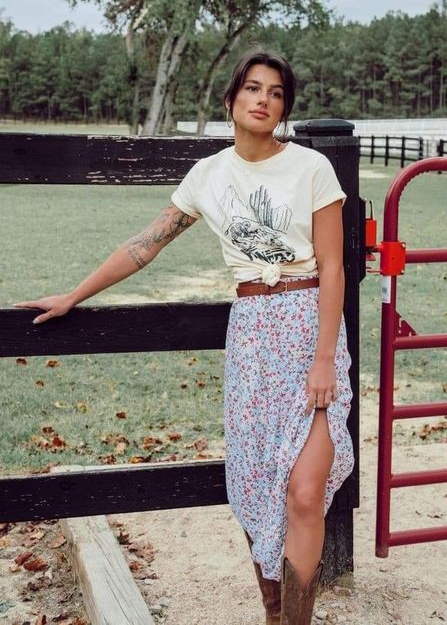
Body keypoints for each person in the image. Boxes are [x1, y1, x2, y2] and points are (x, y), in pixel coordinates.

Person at [14, 49, 354, 625]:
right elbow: (144, 246)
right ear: (230, 100)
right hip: (251, 336)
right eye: (252, 88)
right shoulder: (209, 175)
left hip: (308, 327)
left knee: (304, 490)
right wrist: (75, 294)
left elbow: (334, 266)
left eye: (275, 93)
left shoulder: (311, 168)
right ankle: (275, 615)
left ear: (284, 108)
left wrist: (325, 359)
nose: (262, 99)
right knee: (257, 489)